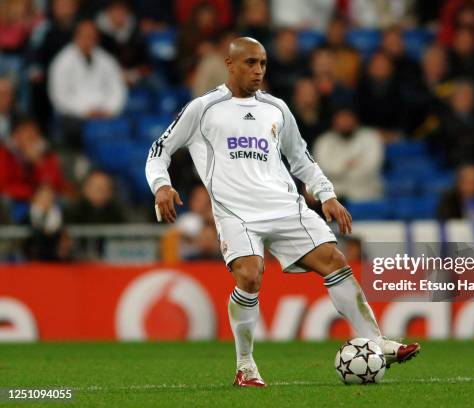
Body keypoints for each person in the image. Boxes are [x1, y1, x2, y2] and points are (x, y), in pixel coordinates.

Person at [145, 37, 420, 388]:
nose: (258, 70)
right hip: (236, 213)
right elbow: (159, 149)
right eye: (250, 63)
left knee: (334, 260)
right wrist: (161, 185)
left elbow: (300, 157)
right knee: (249, 274)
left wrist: (327, 195)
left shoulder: (276, 108)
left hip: (285, 206)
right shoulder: (203, 108)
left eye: (262, 63)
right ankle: (245, 366)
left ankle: (376, 341)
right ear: (230, 65)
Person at [314, 107, 384, 201]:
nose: (345, 121)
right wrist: (348, 164)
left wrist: (340, 170)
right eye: (341, 117)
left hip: (368, 194)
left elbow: (370, 169)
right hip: (335, 196)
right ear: (334, 120)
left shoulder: (371, 138)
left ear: (356, 119)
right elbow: (325, 170)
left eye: (348, 117)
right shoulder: (324, 141)